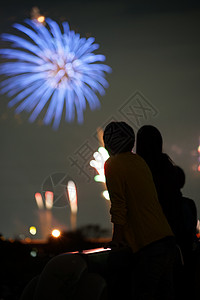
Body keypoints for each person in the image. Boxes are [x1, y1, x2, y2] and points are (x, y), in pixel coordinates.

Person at [103, 121, 176, 300]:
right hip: (166, 239)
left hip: (148, 245)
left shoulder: (113, 164)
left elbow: (119, 206)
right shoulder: (139, 161)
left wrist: (116, 240)